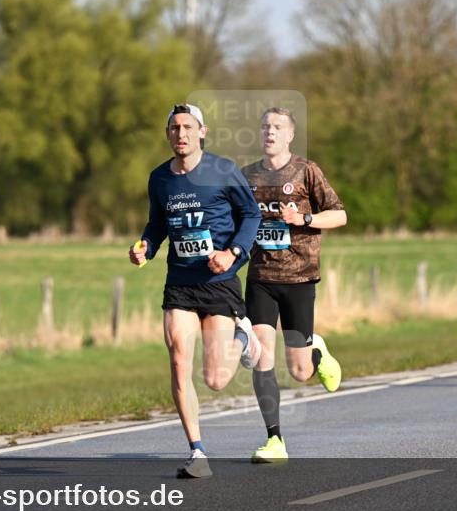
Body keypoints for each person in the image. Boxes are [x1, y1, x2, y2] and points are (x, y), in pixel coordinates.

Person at [129, 103, 262, 478]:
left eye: (188, 127)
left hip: (219, 282)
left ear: (202, 131)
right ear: (168, 134)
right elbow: (157, 225)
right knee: (177, 358)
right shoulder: (159, 179)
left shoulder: (222, 171)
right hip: (181, 284)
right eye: (174, 128)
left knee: (216, 380)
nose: (181, 134)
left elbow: (251, 215)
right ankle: (197, 452)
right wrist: (145, 247)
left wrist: (233, 251)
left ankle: (243, 336)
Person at [240, 107, 347, 463]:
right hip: (261, 278)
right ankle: (275, 440)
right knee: (261, 357)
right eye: (265, 126)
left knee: (300, 371)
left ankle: (315, 350)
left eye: (278, 127)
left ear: (289, 135)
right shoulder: (247, 175)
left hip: (299, 278)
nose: (270, 132)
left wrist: (303, 218)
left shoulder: (306, 170)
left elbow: (340, 214)